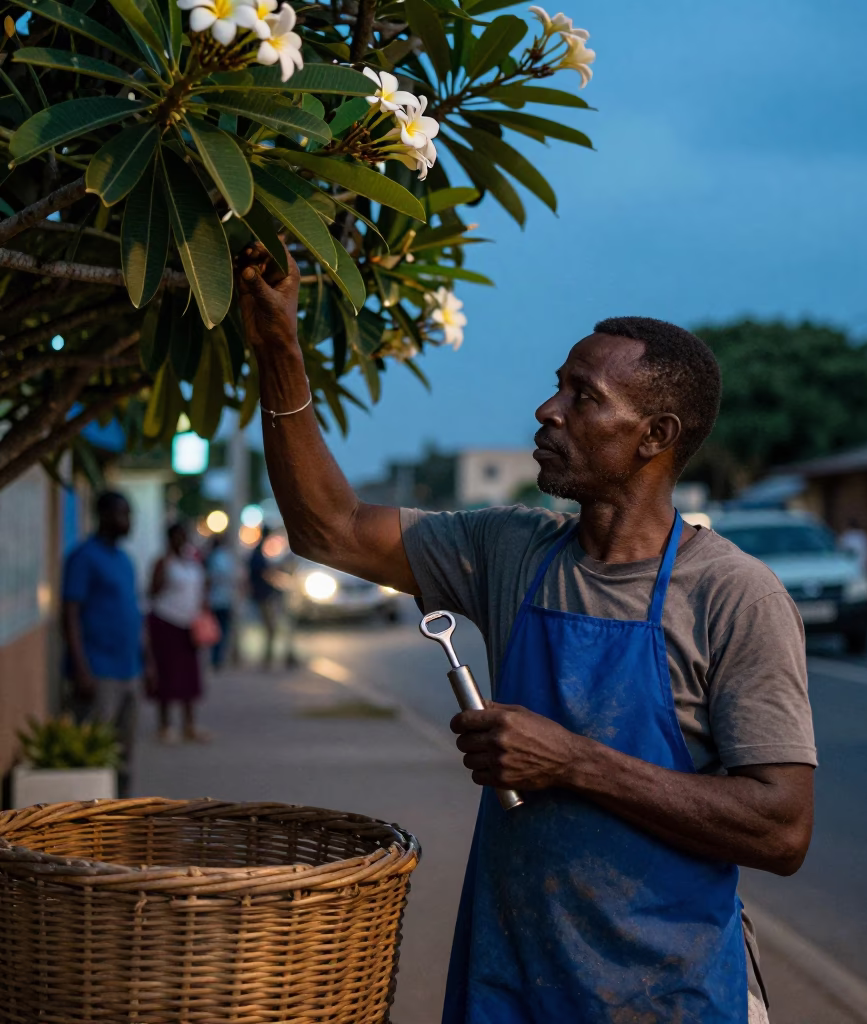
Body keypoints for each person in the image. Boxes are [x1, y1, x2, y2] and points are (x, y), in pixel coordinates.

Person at [237, 245, 817, 1024]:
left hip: (665, 1000)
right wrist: (280, 351)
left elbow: (781, 828)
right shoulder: (509, 550)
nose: (548, 411)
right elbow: (328, 526)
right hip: (508, 986)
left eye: (583, 397)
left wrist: (573, 761)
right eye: (557, 387)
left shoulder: (734, 595)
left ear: (655, 435)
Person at [62, 491, 153, 798]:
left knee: (124, 753)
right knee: (94, 753)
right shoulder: (84, 556)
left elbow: (134, 612)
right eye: (121, 514)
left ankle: (122, 818)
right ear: (103, 516)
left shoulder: (125, 560)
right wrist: (80, 669)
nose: (128, 522)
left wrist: (147, 660)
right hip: (98, 670)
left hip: (129, 669)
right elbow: (70, 614)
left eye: (130, 515)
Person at [148, 522, 208, 744]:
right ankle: (165, 725)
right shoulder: (164, 563)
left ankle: (189, 724)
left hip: (188, 624)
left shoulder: (192, 562)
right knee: (167, 673)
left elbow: (201, 590)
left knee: (189, 676)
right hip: (166, 621)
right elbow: (152, 592)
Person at [248, 525, 294, 669]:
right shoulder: (257, 554)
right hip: (264, 596)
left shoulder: (259, 552)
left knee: (276, 628)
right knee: (272, 629)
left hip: (266, 595)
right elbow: (264, 573)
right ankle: (268, 660)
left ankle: (276, 659)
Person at [205, 533, 236, 670]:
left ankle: (216, 658)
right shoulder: (225, 557)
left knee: (218, 630)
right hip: (222, 599)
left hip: (217, 599)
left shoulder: (214, 557)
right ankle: (218, 658)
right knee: (221, 631)